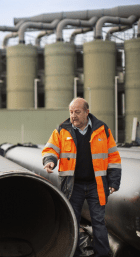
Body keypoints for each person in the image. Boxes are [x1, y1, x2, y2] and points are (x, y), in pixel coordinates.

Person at [42, 97, 121, 257]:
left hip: (96, 185)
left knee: (99, 222)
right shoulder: (62, 130)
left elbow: (113, 157)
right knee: (72, 221)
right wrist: (50, 161)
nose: (73, 116)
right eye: (71, 112)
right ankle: (75, 254)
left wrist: (113, 181)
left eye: (77, 112)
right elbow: (50, 149)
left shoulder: (102, 130)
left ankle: (102, 255)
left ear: (87, 112)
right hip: (72, 186)